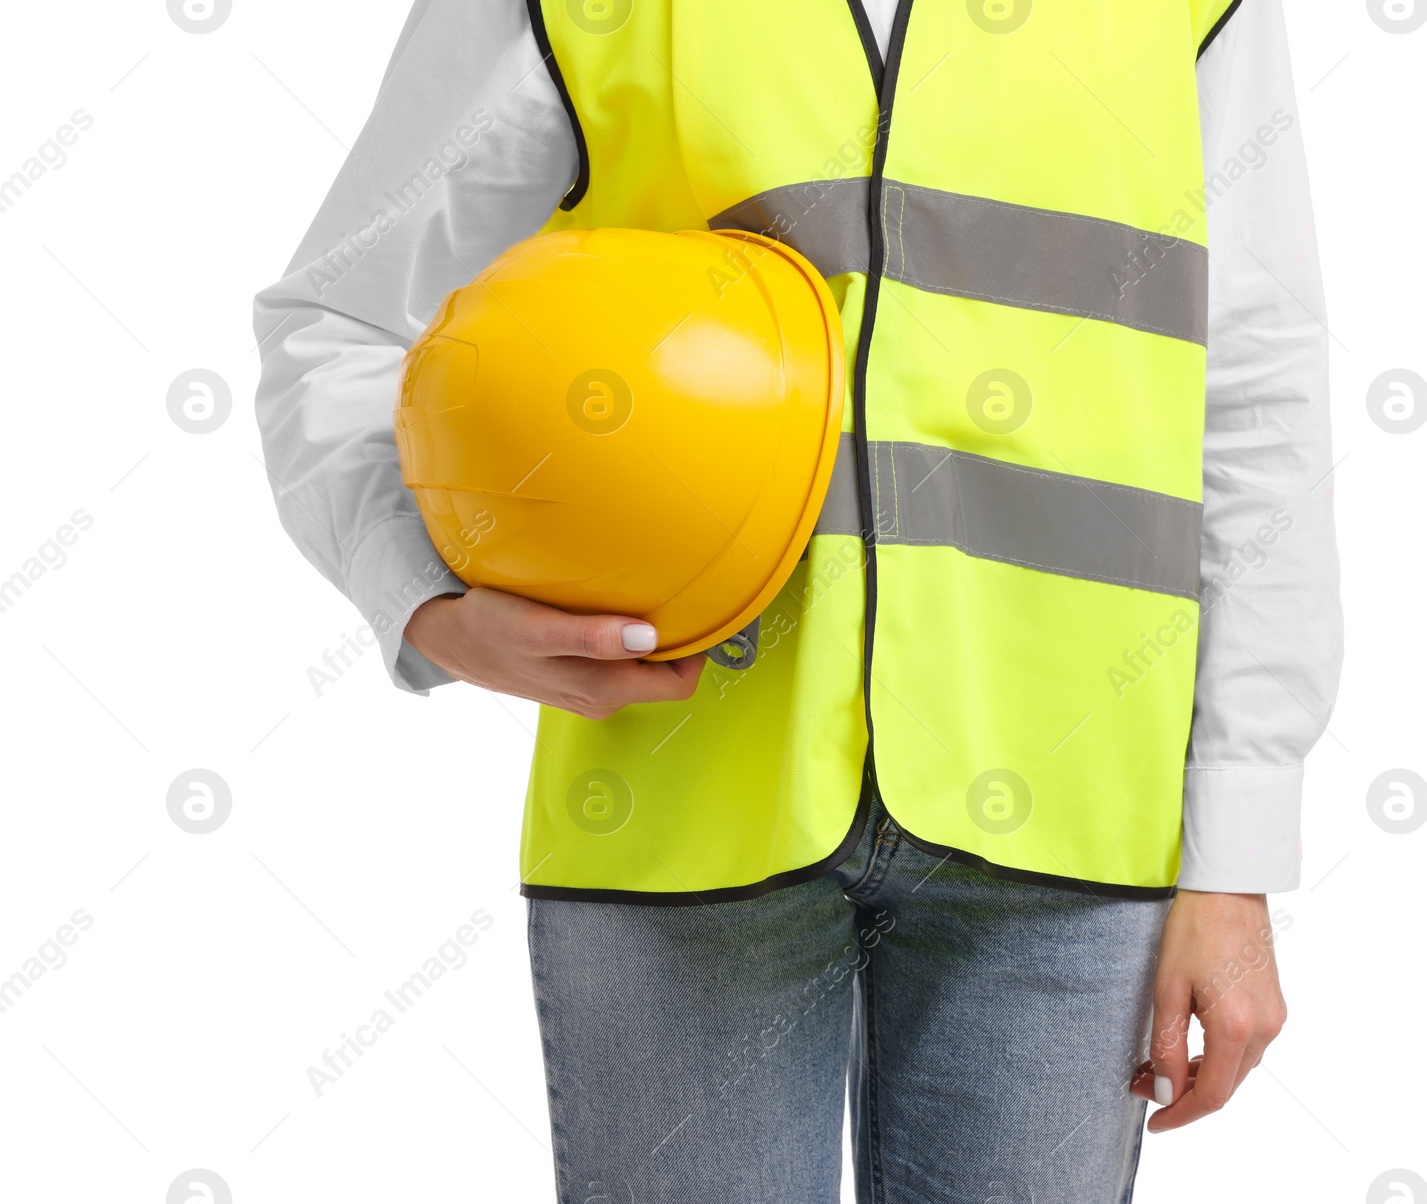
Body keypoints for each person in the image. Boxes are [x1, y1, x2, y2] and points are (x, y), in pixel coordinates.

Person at [254, 0, 1342, 1199]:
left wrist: (1235, 847)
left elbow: (1255, 388)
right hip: (680, 798)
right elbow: (339, 322)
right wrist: (423, 598)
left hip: (1071, 814)